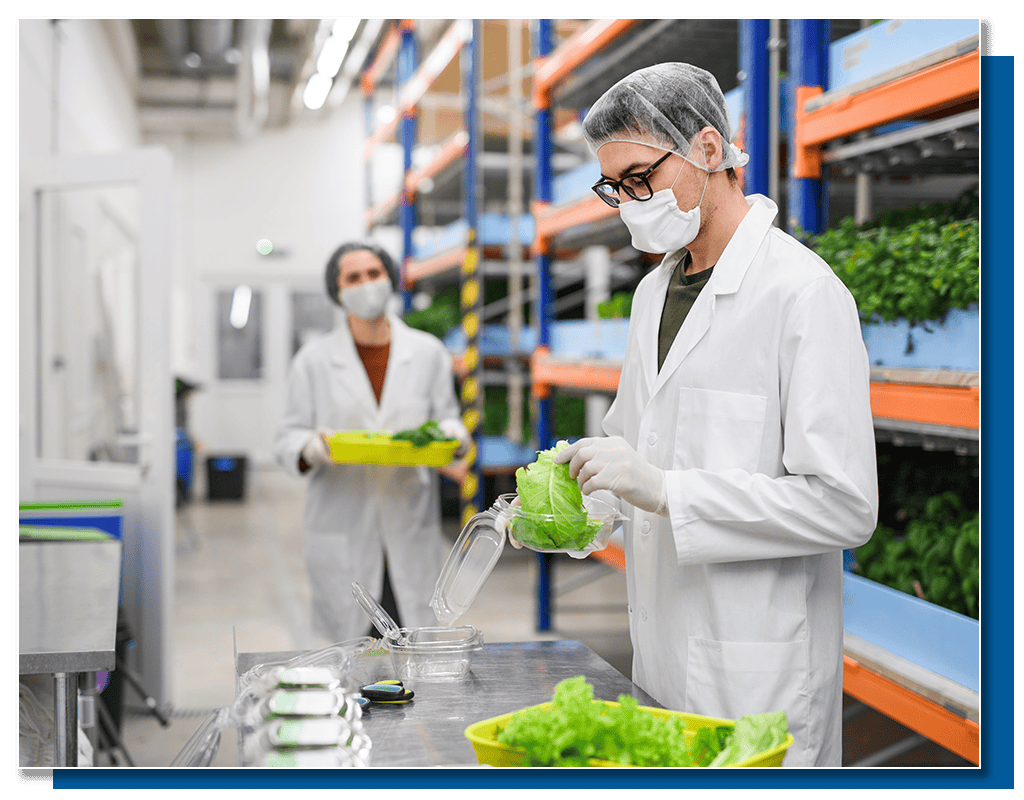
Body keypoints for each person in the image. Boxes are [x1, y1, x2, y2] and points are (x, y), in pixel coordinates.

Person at [541, 64, 879, 767]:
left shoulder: (802, 295)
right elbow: (634, 450)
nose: (631, 203)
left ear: (706, 148)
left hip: (755, 671)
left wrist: (669, 491)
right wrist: (582, 507)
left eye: (641, 178)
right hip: (660, 652)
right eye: (615, 189)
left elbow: (846, 508)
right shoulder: (651, 295)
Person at [274, 241, 470, 644]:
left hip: (408, 520)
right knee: (347, 652)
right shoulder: (313, 360)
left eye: (374, 274)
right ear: (337, 291)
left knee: (411, 646)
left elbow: (446, 415)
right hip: (341, 524)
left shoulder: (427, 352)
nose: (366, 284)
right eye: (353, 277)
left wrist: (455, 432)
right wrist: (311, 447)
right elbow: (287, 437)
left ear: (391, 279)